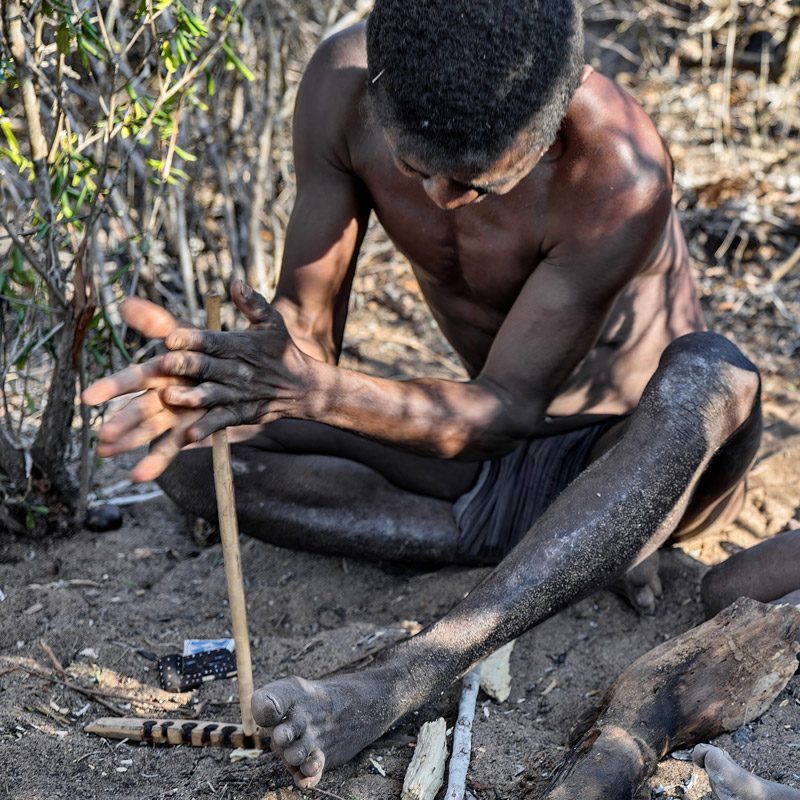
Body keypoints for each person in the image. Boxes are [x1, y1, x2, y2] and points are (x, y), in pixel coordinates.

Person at [83, 0, 773, 789]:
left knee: (712, 373)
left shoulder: (616, 165)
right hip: (479, 459)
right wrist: (240, 374)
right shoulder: (342, 88)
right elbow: (306, 346)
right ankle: (564, 559)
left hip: (634, 462)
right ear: (378, 92)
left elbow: (508, 405)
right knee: (189, 443)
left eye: (480, 185)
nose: (442, 197)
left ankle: (404, 676)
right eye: (416, 169)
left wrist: (309, 388)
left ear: (550, 131)